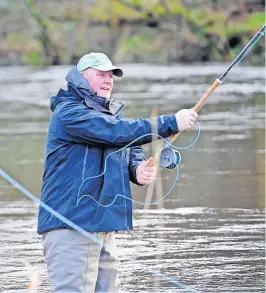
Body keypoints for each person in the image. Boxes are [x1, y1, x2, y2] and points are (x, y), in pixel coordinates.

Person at [37, 52, 198, 292]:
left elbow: (127, 145)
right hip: (71, 227)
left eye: (111, 75)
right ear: (81, 77)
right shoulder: (69, 113)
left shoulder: (109, 114)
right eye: (101, 74)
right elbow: (114, 132)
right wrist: (170, 123)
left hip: (103, 227)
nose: (108, 80)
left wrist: (136, 169)